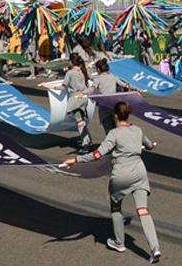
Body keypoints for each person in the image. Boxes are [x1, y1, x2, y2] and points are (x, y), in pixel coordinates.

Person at [66, 101, 161, 262]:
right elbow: (149, 145)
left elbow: (97, 154)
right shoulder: (137, 130)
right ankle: (155, 248)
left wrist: (75, 160)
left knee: (116, 207)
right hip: (139, 173)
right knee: (143, 210)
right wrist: (151, 145)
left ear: (115, 116)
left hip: (121, 175)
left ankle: (119, 242)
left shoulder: (114, 134)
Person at [89, 58, 131, 136]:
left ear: (98, 69)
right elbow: (126, 85)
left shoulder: (98, 79)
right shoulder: (113, 76)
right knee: (119, 128)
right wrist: (138, 89)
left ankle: (113, 146)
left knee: (109, 131)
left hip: (104, 107)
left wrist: (83, 93)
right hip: (114, 105)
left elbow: (92, 89)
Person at [63, 53, 94, 151]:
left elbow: (63, 86)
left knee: (79, 122)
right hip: (84, 98)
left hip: (75, 99)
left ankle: (86, 145)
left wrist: (50, 86)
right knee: (82, 121)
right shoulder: (83, 70)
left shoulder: (70, 73)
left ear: (71, 62)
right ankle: (88, 140)